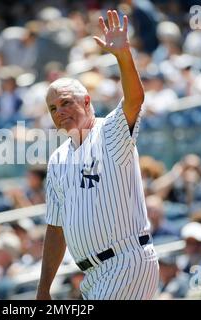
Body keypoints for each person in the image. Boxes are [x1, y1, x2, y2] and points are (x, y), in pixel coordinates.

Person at [37, 9, 159, 300]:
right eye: (53, 108)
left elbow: (135, 99)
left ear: (87, 101)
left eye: (66, 102)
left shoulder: (109, 132)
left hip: (126, 262)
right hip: (93, 274)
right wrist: (43, 289)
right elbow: (56, 229)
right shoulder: (58, 160)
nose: (60, 111)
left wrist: (123, 55)